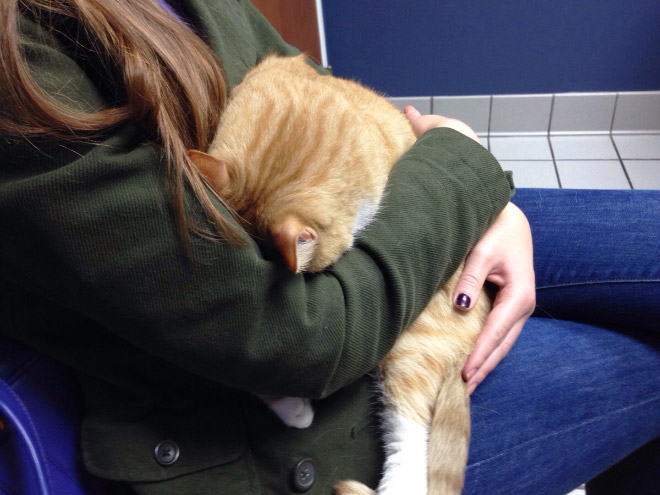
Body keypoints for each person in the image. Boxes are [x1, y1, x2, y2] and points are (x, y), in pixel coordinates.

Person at [0, 1, 657, 494]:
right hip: (283, 422)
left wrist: (492, 205)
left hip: (367, 236)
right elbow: (300, 336)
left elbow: (304, 76)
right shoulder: (23, 67)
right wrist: (461, 164)